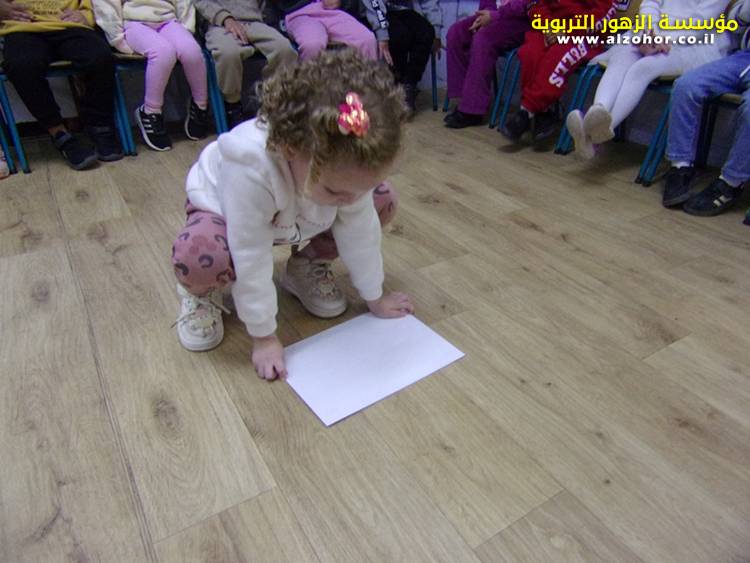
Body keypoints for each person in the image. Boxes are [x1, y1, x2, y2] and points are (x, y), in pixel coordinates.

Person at [171, 48, 414, 380]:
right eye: (336, 191)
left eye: (359, 188)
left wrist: (375, 296)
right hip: (225, 212)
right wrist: (264, 337)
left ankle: (305, 266)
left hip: (299, 212)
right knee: (203, 256)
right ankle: (199, 293)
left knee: (380, 200)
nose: (351, 200)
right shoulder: (250, 167)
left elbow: (362, 232)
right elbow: (250, 252)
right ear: (289, 149)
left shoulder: (339, 176)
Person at [567, 0, 733, 160]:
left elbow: (701, 22)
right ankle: (598, 110)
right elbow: (650, 3)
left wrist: (664, 39)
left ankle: (597, 133)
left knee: (643, 68)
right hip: (653, 33)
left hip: (692, 43)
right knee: (622, 57)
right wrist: (650, 32)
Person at [0, 0, 123, 169]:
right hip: (22, 28)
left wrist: (86, 14)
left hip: (69, 24)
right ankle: (59, 133)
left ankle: (99, 125)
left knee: (100, 56)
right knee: (21, 65)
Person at [660, 0, 749, 217]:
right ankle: (680, 166)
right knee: (686, 86)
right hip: (743, 57)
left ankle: (731, 183)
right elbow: (734, 23)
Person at [95, 0, 211, 151]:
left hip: (168, 20)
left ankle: (200, 105)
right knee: (163, 52)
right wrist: (117, 39)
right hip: (133, 23)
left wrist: (186, 28)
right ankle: (150, 111)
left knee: (192, 51)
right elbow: (105, 5)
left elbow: (183, 3)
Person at [501, 0, 618, 143]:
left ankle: (526, 112)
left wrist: (567, 30)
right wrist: (548, 26)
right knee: (530, 53)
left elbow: (603, 13)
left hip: (584, 35)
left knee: (557, 56)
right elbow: (536, 4)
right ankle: (542, 113)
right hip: (550, 26)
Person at [195, 0, 297, 128]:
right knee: (228, 53)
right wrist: (225, 18)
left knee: (284, 50)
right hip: (218, 24)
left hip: (254, 21)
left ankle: (274, 101)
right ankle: (232, 106)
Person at [444, 0, 530, 128]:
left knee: (483, 39)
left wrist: (494, 16)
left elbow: (526, 4)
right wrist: (484, 15)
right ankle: (463, 99)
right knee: (456, 33)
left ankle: (472, 110)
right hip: (495, 16)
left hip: (521, 20)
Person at [361, 0, 442, 112]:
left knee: (426, 32)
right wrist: (382, 34)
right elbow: (373, 5)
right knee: (399, 35)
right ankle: (395, 87)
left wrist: (436, 31)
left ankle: (409, 85)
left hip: (401, 11)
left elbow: (428, 2)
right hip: (372, 13)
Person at [268, 0, 377, 61]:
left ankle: (369, 90)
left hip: (331, 11)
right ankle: (309, 90)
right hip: (298, 13)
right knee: (312, 44)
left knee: (367, 39)